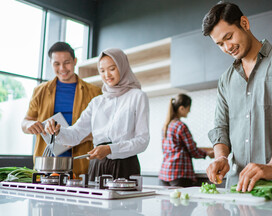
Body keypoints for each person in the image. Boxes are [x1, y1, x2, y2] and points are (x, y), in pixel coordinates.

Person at [202, 1, 272, 194]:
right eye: (220, 44)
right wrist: (221, 158)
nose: (227, 47)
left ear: (244, 23)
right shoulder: (225, 80)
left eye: (228, 37)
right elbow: (221, 127)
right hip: (237, 191)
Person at [45, 48, 150, 180]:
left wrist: (110, 149)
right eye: (102, 71)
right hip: (97, 165)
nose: (107, 75)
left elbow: (142, 140)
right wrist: (57, 131)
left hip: (125, 165)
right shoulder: (97, 102)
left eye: (112, 68)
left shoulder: (137, 96)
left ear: (122, 67)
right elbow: (75, 134)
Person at [21, 42, 102, 177]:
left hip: (81, 166)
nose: (62, 68)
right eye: (57, 64)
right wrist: (29, 125)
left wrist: (75, 138)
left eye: (67, 62)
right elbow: (25, 122)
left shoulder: (94, 92)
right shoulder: (39, 91)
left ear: (75, 61)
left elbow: (104, 130)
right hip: (46, 167)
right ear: (51, 63)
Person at [159, 94, 214, 187]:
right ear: (181, 108)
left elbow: (182, 148)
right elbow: (193, 150)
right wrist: (207, 154)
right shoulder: (181, 126)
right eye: (188, 108)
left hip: (165, 174)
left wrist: (211, 149)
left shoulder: (166, 126)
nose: (189, 111)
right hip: (179, 175)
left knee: (167, 201)